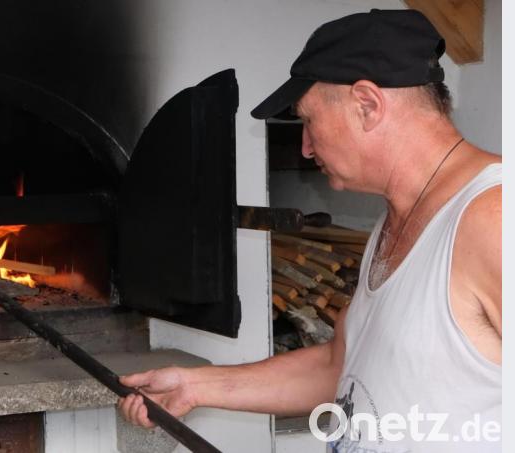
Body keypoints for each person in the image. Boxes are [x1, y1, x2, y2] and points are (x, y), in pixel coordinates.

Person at [118, 9, 501, 452]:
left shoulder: (491, 216)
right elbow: (341, 363)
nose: (304, 145)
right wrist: (197, 385)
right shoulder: (398, 218)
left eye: (308, 120)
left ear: (368, 105)